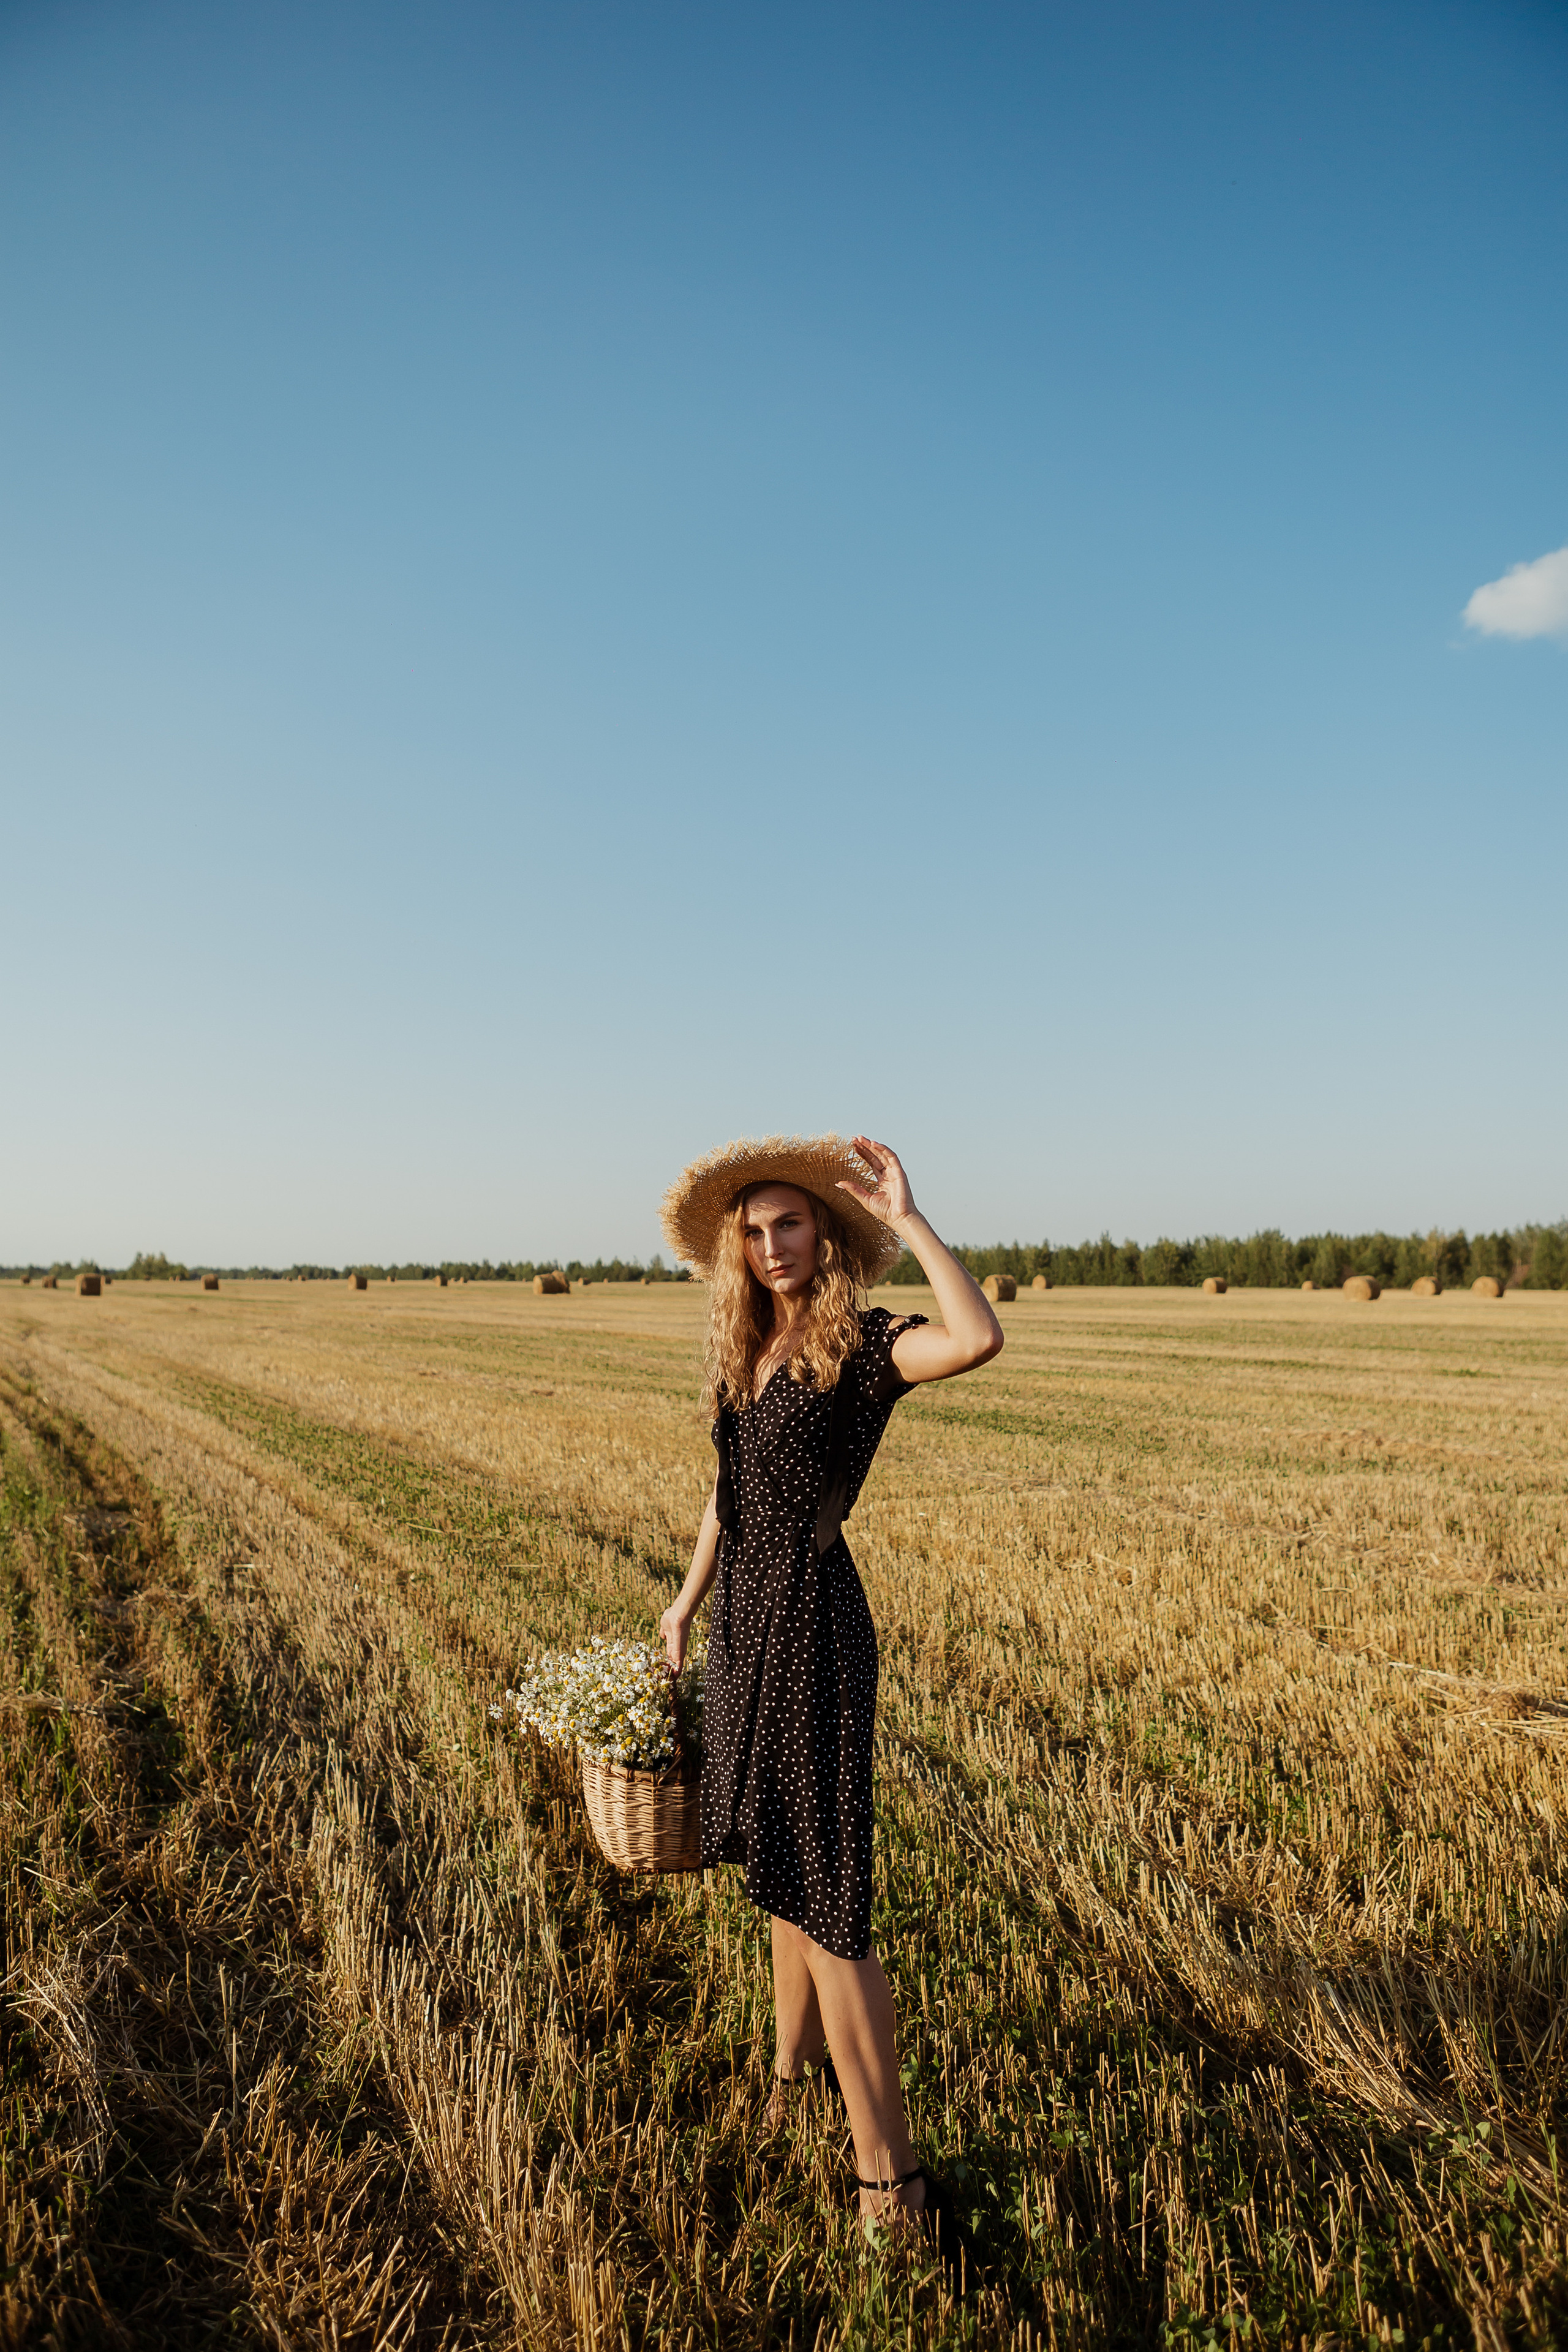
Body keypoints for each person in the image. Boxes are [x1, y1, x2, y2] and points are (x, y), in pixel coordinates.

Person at [658, 1132, 1003, 2237]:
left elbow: (977, 1337)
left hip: (812, 1628)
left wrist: (910, 1216)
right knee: (776, 1858)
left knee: (829, 1899)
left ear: (826, 1230)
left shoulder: (857, 1346)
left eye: (790, 1224)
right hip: (746, 1631)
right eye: (753, 1233)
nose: (771, 1248)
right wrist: (683, 1604)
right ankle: (787, 2072)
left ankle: (888, 2183)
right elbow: (725, 1497)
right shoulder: (744, 1348)